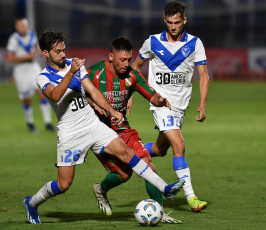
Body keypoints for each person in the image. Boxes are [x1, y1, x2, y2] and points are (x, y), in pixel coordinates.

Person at [21, 29, 185, 224]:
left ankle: (164, 187)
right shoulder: (42, 77)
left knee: (127, 154)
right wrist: (71, 72)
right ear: (46, 53)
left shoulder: (75, 64)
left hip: (93, 124)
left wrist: (112, 111)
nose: (64, 54)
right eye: (58, 51)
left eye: (64, 49)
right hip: (70, 133)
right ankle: (32, 202)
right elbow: (55, 95)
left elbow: (92, 90)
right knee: (63, 184)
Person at [87, 36, 182, 224]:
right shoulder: (95, 72)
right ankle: (101, 189)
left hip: (124, 130)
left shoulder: (132, 76)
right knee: (124, 174)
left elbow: (151, 95)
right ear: (111, 56)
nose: (126, 64)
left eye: (129, 60)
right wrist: (92, 103)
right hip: (99, 132)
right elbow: (78, 94)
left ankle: (160, 212)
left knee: (147, 163)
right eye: (122, 60)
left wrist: (160, 100)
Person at [132, 1, 209, 213]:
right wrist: (135, 94)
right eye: (169, 22)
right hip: (160, 104)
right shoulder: (152, 42)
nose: (173, 27)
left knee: (160, 150)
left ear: (184, 20)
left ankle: (126, 152)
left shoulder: (194, 44)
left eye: (177, 22)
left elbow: (203, 76)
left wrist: (202, 104)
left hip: (180, 107)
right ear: (164, 20)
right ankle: (191, 198)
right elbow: (135, 69)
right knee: (179, 145)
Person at [6, 16, 55, 132]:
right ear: (16, 27)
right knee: (27, 98)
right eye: (20, 25)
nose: (23, 27)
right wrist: (26, 57)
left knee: (42, 92)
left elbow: (36, 49)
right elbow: (10, 58)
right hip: (21, 70)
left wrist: (44, 54)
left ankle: (48, 123)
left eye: (24, 24)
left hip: (33, 67)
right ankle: (30, 123)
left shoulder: (32, 35)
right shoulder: (13, 39)